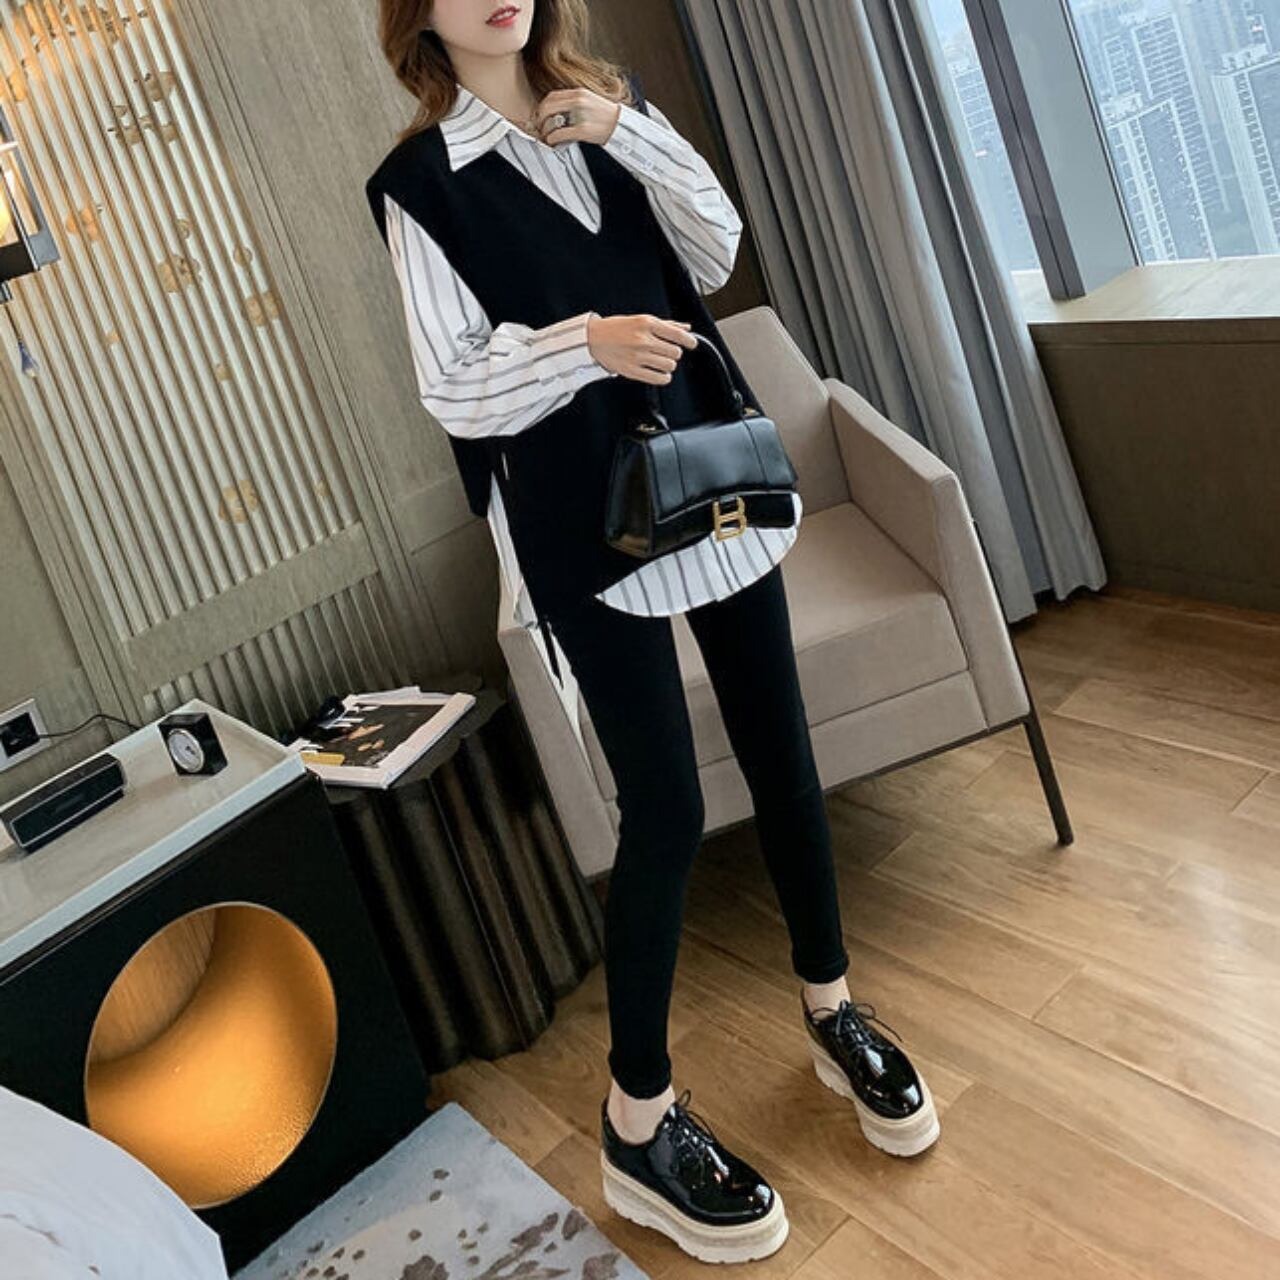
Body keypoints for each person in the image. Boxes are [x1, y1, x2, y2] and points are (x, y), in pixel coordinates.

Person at [366, 0, 939, 1264]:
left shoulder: (610, 104)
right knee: (666, 808)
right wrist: (586, 343)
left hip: (710, 469)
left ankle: (832, 1008)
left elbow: (715, 247)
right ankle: (635, 1118)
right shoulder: (419, 184)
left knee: (782, 755)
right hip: (581, 521)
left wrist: (626, 130)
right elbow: (452, 383)